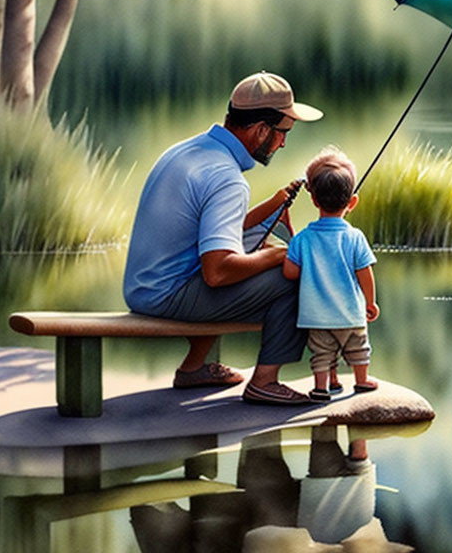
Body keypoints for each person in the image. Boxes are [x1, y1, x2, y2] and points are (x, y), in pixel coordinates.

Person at [123, 71, 323, 405]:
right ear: (261, 130)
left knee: (257, 242)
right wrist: (281, 256)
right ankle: (265, 382)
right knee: (291, 277)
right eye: (283, 133)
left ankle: (194, 367)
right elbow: (217, 272)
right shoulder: (227, 178)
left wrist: (271, 208)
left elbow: (218, 232)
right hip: (167, 294)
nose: (284, 142)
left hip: (142, 286)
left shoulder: (190, 150)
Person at [282, 147, 380, 403]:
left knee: (322, 354)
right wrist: (370, 302)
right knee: (358, 349)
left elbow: (290, 273)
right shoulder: (355, 237)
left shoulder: (303, 238)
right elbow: (365, 273)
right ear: (352, 202)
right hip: (351, 314)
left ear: (314, 200)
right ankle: (362, 381)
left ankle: (323, 387)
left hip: (317, 317)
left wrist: (293, 246)